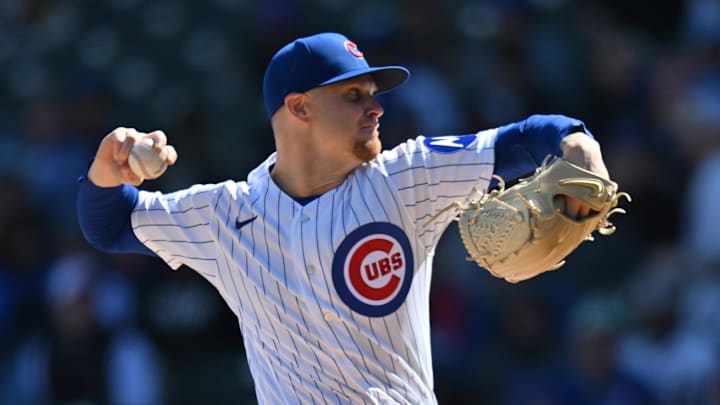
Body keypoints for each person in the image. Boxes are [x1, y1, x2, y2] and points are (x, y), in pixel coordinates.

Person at [77, 32, 610, 404]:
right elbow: (112, 226)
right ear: (300, 109)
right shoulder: (226, 215)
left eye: (374, 96)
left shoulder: (406, 177)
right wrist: (106, 172)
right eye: (353, 95)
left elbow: (531, 135)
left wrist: (579, 145)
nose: (375, 109)